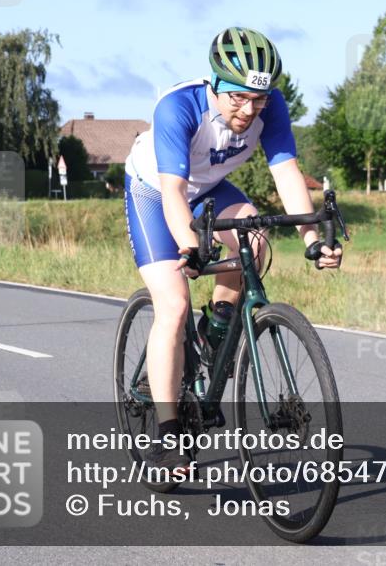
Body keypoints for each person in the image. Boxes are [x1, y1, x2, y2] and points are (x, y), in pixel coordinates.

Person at [123, 27, 343, 471]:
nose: (248, 110)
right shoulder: (179, 107)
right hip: (155, 192)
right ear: (216, 85)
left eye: (257, 100)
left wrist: (312, 240)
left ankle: (215, 331)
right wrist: (190, 245)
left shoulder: (271, 107)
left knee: (256, 241)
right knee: (174, 305)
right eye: (238, 98)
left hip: (210, 189)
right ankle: (168, 435)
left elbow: (286, 174)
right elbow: (172, 192)